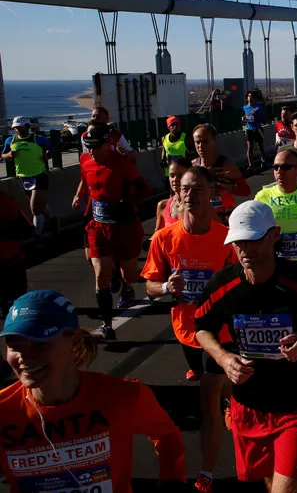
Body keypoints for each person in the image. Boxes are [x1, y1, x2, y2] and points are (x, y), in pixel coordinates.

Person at [194, 200, 297, 490]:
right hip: (248, 408)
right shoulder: (224, 284)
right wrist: (222, 358)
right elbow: (201, 327)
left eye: (254, 239)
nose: (245, 250)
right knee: (271, 482)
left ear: (274, 235)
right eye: (238, 242)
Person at [0, 290, 187, 492]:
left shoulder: (124, 396)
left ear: (75, 341)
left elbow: (167, 435)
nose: (24, 357)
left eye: (39, 345)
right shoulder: (4, 411)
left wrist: (172, 482)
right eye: (15, 346)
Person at [143, 166, 237, 492]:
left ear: (211, 193)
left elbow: (240, 283)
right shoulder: (164, 238)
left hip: (221, 332)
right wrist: (166, 288)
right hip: (187, 331)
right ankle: (231, 400)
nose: (190, 195)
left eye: (197, 189)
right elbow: (150, 286)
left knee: (207, 397)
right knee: (216, 388)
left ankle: (206, 475)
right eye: (185, 189)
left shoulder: (227, 238)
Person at [73, 124, 151, 339]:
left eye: (95, 148)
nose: (91, 152)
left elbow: (146, 189)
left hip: (124, 226)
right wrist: (79, 197)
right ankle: (107, 325)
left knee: (130, 274)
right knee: (101, 274)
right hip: (98, 226)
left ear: (107, 146)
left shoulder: (122, 164)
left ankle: (127, 287)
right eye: (88, 148)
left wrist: (126, 203)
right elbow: (84, 180)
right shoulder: (85, 161)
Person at [1, 115, 52, 237]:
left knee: (34, 208)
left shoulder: (38, 139)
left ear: (27, 126)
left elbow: (51, 149)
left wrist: (47, 155)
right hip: (23, 177)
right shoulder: (10, 141)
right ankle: (54, 219)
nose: (18, 129)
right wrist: (9, 155)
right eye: (15, 127)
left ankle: (38, 236)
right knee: (39, 205)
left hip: (39, 174)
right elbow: (3, 155)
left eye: (20, 127)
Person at [192, 123, 251, 225]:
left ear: (214, 141)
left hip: (224, 220)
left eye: (205, 141)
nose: (200, 146)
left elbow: (246, 190)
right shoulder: (193, 166)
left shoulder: (225, 164)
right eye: (197, 142)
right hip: (203, 220)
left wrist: (227, 187)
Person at [0, 189, 32, 319]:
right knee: (17, 307)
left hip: (9, 258)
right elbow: (25, 228)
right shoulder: (4, 200)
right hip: (10, 260)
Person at [155, 156, 194, 232]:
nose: (175, 179)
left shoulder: (198, 205)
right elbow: (157, 237)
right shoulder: (163, 206)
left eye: (180, 175)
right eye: (172, 176)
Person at [243, 91, 268, 168]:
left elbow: (263, 118)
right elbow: (243, 117)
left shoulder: (258, 107)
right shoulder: (245, 107)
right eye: (249, 96)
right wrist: (243, 119)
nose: (250, 98)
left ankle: (263, 159)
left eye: (252, 97)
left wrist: (257, 113)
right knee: (250, 147)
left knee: (260, 146)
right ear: (247, 98)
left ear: (255, 99)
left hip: (257, 129)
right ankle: (251, 165)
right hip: (249, 129)